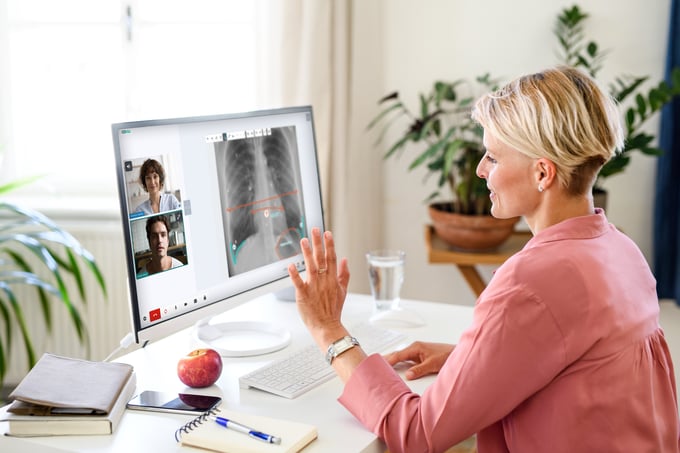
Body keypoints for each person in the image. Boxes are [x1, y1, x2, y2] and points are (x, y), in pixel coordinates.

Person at [287, 66, 680, 452]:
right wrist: (470, 361)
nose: (480, 170)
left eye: (492, 157)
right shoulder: (621, 251)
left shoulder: (532, 280)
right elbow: (583, 370)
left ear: (542, 174)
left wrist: (329, 331)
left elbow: (417, 433)